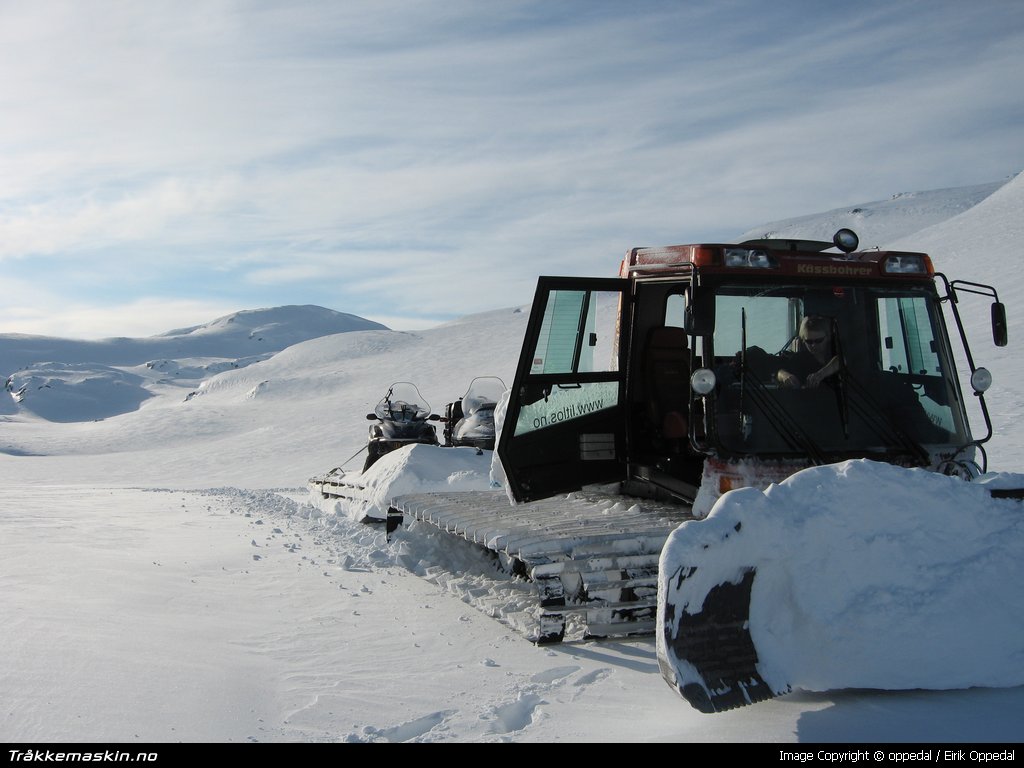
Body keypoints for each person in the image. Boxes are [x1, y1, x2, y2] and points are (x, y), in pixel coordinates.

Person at [776, 316, 840, 389]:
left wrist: (820, 374)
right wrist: (785, 376)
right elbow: (779, 371)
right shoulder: (800, 359)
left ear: (828, 337)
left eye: (818, 340)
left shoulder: (836, 350)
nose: (813, 345)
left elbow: (841, 360)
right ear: (803, 340)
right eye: (809, 341)